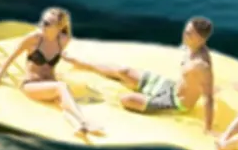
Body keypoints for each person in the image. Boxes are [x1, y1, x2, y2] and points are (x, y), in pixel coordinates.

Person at [75, 17, 217, 130]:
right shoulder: (189, 46)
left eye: (189, 33)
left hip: (175, 102)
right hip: (170, 87)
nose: (184, 35)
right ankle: (85, 64)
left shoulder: (201, 64)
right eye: (186, 31)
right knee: (124, 72)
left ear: (201, 39)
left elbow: (208, 98)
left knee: (126, 99)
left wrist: (208, 130)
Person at [0, 6, 99, 139]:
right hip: (31, 85)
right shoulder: (34, 39)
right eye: (42, 20)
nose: (41, 24)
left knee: (62, 103)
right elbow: (11, 57)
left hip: (50, 84)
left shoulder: (64, 40)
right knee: (62, 87)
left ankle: (78, 127)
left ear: (58, 27)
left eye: (47, 23)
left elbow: (58, 56)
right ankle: (84, 121)